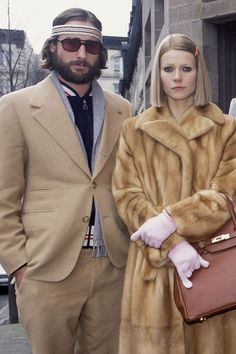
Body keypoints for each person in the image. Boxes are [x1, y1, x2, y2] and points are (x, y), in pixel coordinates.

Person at [0, 7, 132, 354]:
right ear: (54, 47)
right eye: (72, 43)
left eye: (90, 46)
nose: (81, 53)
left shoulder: (124, 110)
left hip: (112, 267)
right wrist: (19, 266)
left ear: (101, 54)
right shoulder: (15, 107)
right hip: (47, 267)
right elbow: (4, 196)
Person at [112, 33, 236, 354]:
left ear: (199, 71)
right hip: (153, 276)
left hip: (212, 268)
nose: (178, 78)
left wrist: (170, 219)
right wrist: (171, 244)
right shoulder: (134, 130)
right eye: (168, 70)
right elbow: (127, 195)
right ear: (158, 74)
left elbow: (227, 194)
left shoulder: (226, 128)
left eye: (186, 68)